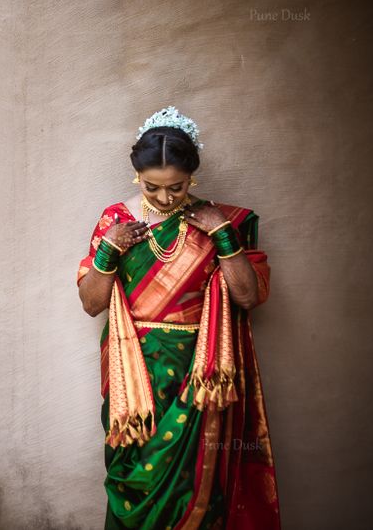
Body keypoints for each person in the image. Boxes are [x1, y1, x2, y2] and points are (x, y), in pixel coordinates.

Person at [76, 107, 281, 529]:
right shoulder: (116, 222)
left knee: (199, 488)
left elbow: (248, 295)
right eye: (153, 187)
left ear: (193, 176)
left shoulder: (222, 222)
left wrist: (223, 234)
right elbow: (92, 303)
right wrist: (107, 251)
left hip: (200, 379)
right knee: (135, 481)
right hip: (133, 381)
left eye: (178, 187)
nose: (166, 198)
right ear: (137, 176)